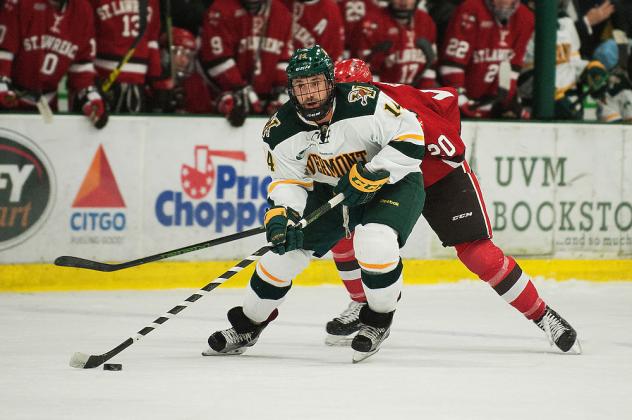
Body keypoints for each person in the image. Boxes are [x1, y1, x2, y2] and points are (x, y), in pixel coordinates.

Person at [326, 58, 581, 354]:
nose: (349, 100)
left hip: (437, 175)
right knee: (339, 228)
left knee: (480, 255)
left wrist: (421, 145)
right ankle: (361, 304)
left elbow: (453, 149)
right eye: (341, 93)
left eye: (355, 92)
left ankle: (543, 315)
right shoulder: (327, 114)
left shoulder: (399, 108)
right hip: (386, 179)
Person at [203, 45, 427, 363]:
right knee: (280, 258)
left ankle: (377, 322)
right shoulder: (281, 130)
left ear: (330, 82)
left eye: (315, 83)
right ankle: (248, 325)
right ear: (291, 89)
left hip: (392, 182)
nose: (309, 93)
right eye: (300, 86)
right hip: (331, 191)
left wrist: (374, 172)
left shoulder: (365, 101)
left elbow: (412, 136)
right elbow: (289, 182)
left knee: (374, 242)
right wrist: (283, 214)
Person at [0, 0, 108, 128]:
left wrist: (90, 96)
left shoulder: (82, 9)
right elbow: (4, 50)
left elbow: (81, 64)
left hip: (48, 105)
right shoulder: (20, 3)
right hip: (11, 102)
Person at [199, 0, 293, 127]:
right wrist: (238, 88)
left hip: (266, 99)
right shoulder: (220, 9)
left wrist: (280, 89)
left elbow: (284, 58)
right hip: (225, 94)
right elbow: (216, 58)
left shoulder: (282, 13)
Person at [439, 0, 534, 118]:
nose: (504, 2)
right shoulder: (471, 9)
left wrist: (506, 99)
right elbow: (452, 63)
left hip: (489, 101)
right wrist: (461, 100)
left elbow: (513, 66)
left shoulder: (525, 17)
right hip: (458, 99)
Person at [91, 0, 163, 114]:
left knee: (134, 130)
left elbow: (151, 38)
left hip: (137, 82)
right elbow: (85, 36)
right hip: (103, 80)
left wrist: (158, 82)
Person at [354, 0, 438, 88]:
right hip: (383, 92)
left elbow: (431, 65)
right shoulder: (371, 22)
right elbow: (362, 69)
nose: (404, 2)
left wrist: (424, 93)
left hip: (415, 91)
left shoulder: (425, 21)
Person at [149, 27, 214, 114]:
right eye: (179, 53)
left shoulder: (195, 83)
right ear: (164, 53)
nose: (184, 60)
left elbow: (205, 116)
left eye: (188, 55)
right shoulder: (150, 79)